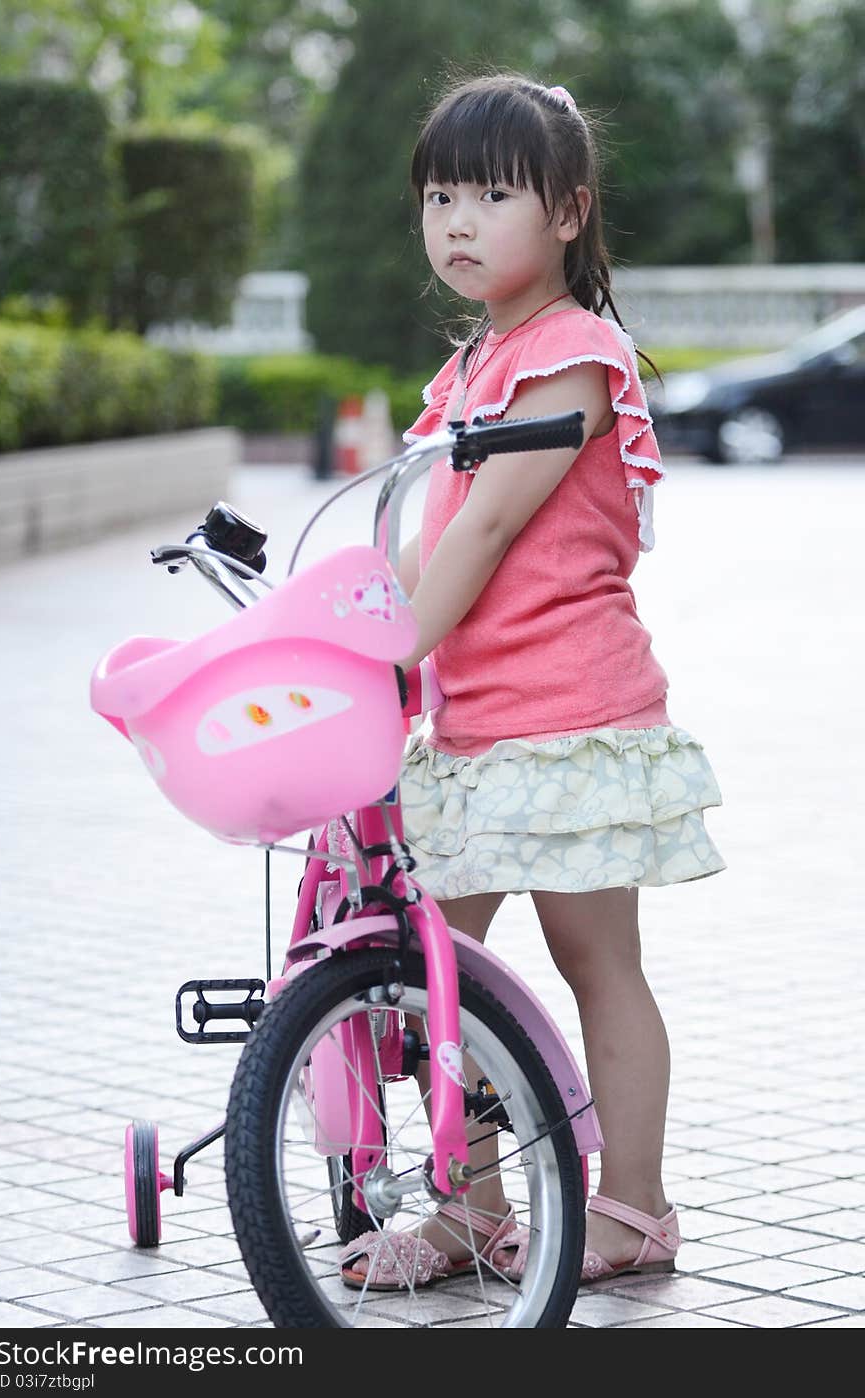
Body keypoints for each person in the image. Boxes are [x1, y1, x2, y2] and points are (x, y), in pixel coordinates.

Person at [341, 72, 725, 1291]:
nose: (456, 219)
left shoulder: (570, 355)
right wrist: (351, 631)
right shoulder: (469, 367)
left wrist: (394, 645)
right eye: (439, 194)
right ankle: (467, 1205)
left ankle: (635, 1206)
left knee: (591, 957)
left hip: (568, 718)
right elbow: (419, 536)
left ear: (567, 211)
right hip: (469, 728)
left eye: (491, 194)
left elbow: (488, 530)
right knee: (436, 973)